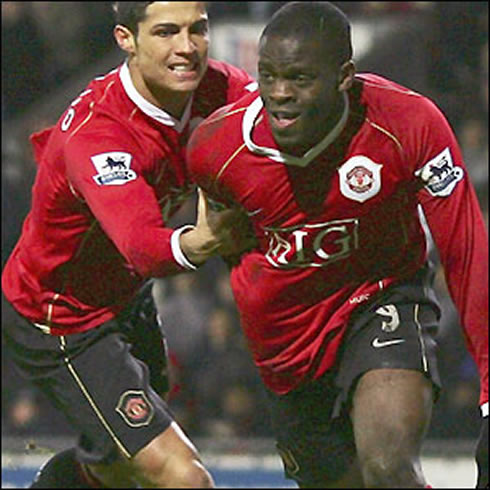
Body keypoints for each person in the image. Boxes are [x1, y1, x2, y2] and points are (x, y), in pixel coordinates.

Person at [187, 2, 488, 488]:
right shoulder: (217, 148)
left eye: (300, 79)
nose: (280, 95)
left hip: (382, 297)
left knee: (388, 469)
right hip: (287, 346)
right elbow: (210, 229)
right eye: (268, 76)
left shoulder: (408, 124)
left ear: (344, 75)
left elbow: (467, 252)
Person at [1, 2, 257, 488]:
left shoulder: (221, 90)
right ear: (126, 39)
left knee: (115, 468)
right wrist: (204, 239)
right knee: (183, 478)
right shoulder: (101, 133)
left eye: (196, 29)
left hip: (125, 298)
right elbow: (145, 248)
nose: (186, 48)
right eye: (165, 32)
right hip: (61, 317)